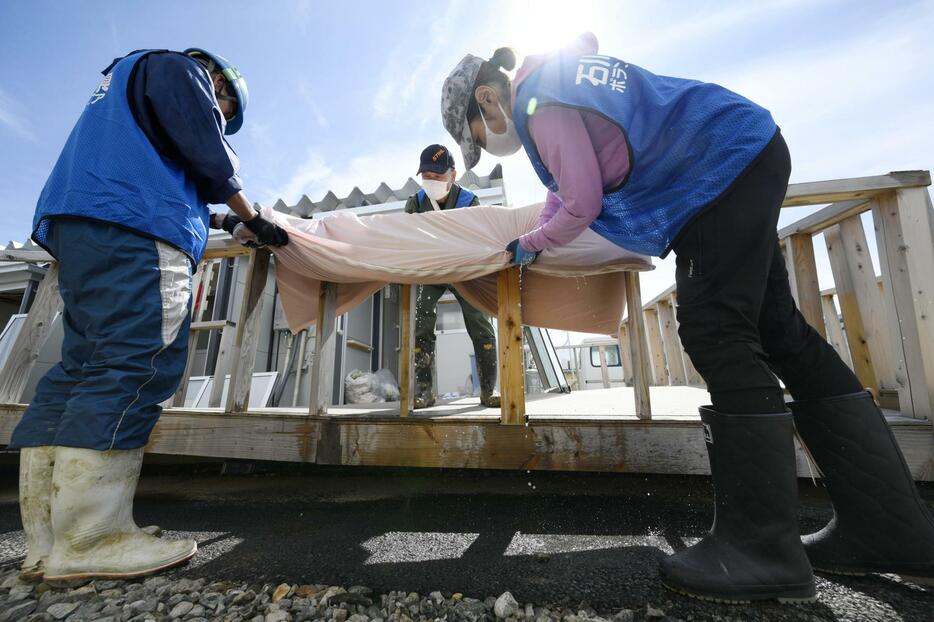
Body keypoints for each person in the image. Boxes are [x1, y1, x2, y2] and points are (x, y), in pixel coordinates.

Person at [440, 32, 934, 603]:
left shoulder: (538, 104)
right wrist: (536, 234)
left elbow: (581, 201)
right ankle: (892, 530)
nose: (487, 145)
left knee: (714, 329)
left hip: (718, 168)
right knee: (780, 334)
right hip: (742, 150)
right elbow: (561, 192)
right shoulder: (547, 91)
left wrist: (533, 245)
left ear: (487, 100)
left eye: (477, 137)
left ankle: (760, 550)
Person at [10, 47, 289, 583]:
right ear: (221, 89)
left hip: (86, 223)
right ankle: (93, 538)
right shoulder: (179, 70)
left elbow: (178, 176)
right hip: (140, 228)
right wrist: (255, 218)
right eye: (224, 113)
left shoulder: (123, 90)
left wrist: (230, 227)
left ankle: (46, 543)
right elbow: (208, 153)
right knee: (135, 364)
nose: (219, 118)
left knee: (80, 368)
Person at [405, 144, 501, 409]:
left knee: (480, 322)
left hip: (464, 268)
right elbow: (408, 238)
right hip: (432, 268)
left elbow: (479, 238)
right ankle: (424, 392)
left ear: (452, 175)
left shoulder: (470, 201)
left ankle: (488, 392)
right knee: (421, 320)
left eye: (437, 177)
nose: (431, 182)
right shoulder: (415, 203)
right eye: (426, 177)